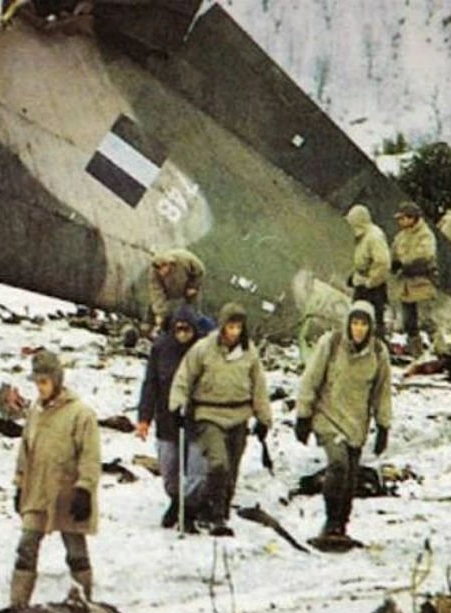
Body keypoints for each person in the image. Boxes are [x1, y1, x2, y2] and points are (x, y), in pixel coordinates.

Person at [168, 303, 272, 536]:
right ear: (222, 326)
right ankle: (212, 513)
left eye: (238, 327)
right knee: (218, 463)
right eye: (230, 326)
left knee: (232, 468)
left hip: (239, 415)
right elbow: (184, 378)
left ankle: (220, 509)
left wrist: (264, 418)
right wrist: (177, 405)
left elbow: (259, 387)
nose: (234, 332)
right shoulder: (203, 349)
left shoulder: (249, 352)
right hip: (209, 414)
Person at [294, 300, 392, 543]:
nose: (359, 329)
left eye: (364, 324)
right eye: (355, 323)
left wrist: (383, 426)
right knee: (338, 465)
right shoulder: (331, 344)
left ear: (371, 327)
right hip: (328, 417)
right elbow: (311, 379)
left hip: (356, 424)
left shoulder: (378, 353)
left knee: (349, 478)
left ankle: (341, 526)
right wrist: (303, 415)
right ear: (348, 324)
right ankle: (330, 522)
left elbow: (382, 392)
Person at [11, 350, 101, 607]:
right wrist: (20, 484)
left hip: (68, 495)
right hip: (37, 492)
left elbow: (90, 456)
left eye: (44, 382)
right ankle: (18, 609)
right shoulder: (35, 412)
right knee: (26, 548)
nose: (39, 388)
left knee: (75, 554)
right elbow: (25, 452)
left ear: (57, 381)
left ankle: (85, 606)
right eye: (36, 382)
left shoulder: (80, 414)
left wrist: (84, 490)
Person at [136, 304, 211, 530]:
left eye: (187, 330)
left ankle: (189, 509)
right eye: (179, 329)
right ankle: (176, 500)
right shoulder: (161, 348)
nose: (183, 334)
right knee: (169, 470)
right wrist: (144, 418)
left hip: (198, 421)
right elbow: (150, 384)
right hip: (167, 420)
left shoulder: (205, 350)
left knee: (197, 471)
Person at [391, 201, 437, 356]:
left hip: (422, 282)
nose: (400, 221)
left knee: (427, 322)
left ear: (412, 218)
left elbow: (425, 255)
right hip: (406, 286)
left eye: (402, 218)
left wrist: (407, 263)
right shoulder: (400, 237)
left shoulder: (425, 235)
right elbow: (394, 254)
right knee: (409, 323)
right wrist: (394, 263)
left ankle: (439, 351)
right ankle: (416, 353)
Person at [345, 204, 391, 340]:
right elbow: (364, 260)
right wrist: (354, 276)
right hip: (363, 281)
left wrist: (371, 282)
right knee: (358, 315)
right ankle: (358, 342)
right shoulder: (364, 235)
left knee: (372, 319)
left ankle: (376, 345)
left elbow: (383, 263)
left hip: (372, 286)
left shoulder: (374, 237)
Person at [148, 248, 205, 331]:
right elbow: (156, 291)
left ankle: (197, 329)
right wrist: (160, 313)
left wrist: (193, 286)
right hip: (168, 292)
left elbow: (200, 271)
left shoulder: (185, 259)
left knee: (193, 312)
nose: (162, 270)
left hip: (188, 287)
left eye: (164, 265)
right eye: (158, 267)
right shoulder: (153, 272)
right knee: (162, 316)